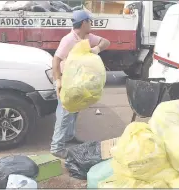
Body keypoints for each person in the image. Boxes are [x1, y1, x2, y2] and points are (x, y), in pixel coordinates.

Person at [51, 10, 110, 159]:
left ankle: (69, 137)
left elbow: (106, 42)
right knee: (64, 114)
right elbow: (56, 60)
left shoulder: (87, 37)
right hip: (65, 81)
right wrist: (58, 81)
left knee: (75, 110)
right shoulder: (69, 39)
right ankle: (56, 147)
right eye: (90, 22)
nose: (91, 24)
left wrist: (96, 48)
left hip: (77, 82)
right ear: (84, 23)